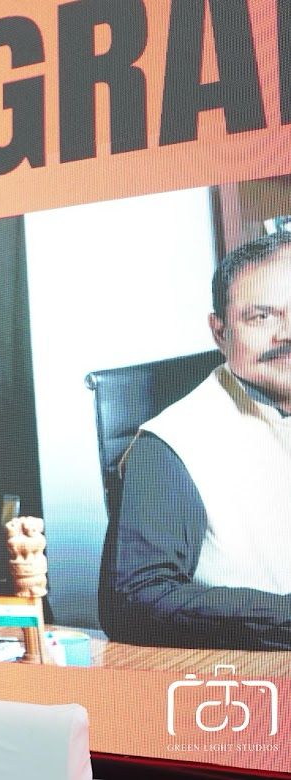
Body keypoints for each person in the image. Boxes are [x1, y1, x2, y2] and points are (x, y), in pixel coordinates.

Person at [112, 232, 291, 649]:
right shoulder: (171, 442)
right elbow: (137, 600)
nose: (286, 333)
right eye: (261, 317)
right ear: (220, 332)